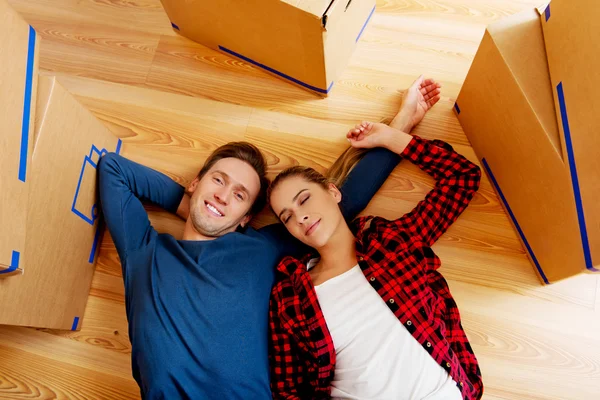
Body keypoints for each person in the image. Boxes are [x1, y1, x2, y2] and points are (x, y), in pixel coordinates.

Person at [96, 79, 434, 398]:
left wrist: (400, 125)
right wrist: (197, 207)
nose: (224, 196)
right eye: (218, 181)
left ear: (246, 218)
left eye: (239, 196)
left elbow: (343, 203)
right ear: (195, 181)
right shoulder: (143, 250)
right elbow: (114, 170)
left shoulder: (259, 248)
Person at [267, 76, 483, 399]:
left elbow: (462, 179)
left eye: (304, 200)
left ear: (333, 192)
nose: (300, 217)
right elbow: (288, 390)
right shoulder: (291, 298)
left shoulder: (392, 243)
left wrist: (391, 136)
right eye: (287, 217)